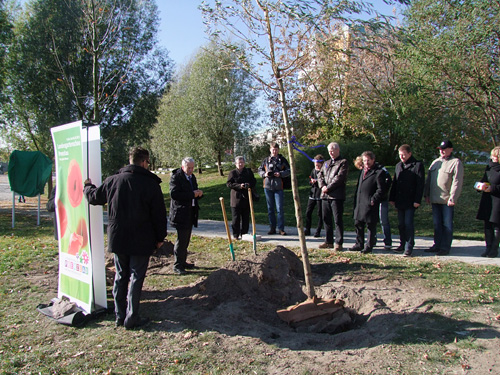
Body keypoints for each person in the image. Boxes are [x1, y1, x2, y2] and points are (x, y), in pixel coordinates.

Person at [84, 147, 167, 329]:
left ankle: (120, 315)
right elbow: (159, 214)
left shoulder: (113, 180)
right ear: (144, 162)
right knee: (136, 277)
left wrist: (87, 186)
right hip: (142, 239)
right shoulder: (151, 184)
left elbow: (94, 197)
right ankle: (132, 317)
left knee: (121, 276)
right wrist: (160, 237)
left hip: (119, 238)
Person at [424, 140, 464, 256]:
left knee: (447, 224)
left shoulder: (456, 162)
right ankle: (437, 244)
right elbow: (429, 180)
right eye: (440, 149)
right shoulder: (435, 162)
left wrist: (453, 197)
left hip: (447, 200)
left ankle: (445, 247)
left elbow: (457, 181)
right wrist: (427, 194)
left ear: (451, 149)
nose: (442, 151)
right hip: (435, 198)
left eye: (444, 149)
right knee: (437, 224)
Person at [389, 144, 425, 257]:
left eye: (404, 154)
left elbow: (420, 184)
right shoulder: (398, 166)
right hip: (400, 199)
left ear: (409, 153)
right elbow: (395, 182)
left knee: (408, 223)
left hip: (410, 200)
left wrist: (417, 200)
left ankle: (409, 246)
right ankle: (402, 243)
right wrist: (392, 197)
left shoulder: (417, 165)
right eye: (400, 155)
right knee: (401, 224)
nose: (402, 157)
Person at [169, 157, 203, 275]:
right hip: (180, 212)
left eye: (192, 168)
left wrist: (199, 194)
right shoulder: (176, 177)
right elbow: (174, 194)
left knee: (186, 239)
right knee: (181, 239)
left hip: (190, 212)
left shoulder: (192, 177)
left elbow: (193, 191)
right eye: (188, 168)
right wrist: (192, 194)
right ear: (183, 166)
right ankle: (177, 265)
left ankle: (183, 261)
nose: (191, 170)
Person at [352, 151, 387, 254]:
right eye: (364, 160)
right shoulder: (363, 171)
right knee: (358, 223)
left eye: (368, 160)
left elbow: (381, 189)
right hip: (360, 202)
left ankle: (369, 246)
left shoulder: (378, 172)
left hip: (370, 203)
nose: (366, 162)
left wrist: (373, 199)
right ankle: (359, 244)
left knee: (370, 225)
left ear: (373, 160)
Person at [317, 143, 348, 251]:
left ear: (338, 150)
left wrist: (328, 188)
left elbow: (339, 178)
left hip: (336, 195)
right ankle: (328, 241)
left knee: (337, 220)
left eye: (333, 150)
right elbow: (320, 175)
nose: (331, 152)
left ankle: (338, 242)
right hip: (325, 195)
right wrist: (322, 186)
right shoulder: (326, 163)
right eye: (329, 150)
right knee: (326, 218)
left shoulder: (343, 162)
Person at [258, 142, 290, 235]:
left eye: (276, 149)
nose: (274, 151)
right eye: (273, 149)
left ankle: (281, 228)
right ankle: (272, 227)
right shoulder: (266, 160)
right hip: (268, 187)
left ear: (278, 150)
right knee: (270, 209)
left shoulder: (282, 160)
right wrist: (265, 174)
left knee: (280, 208)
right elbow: (259, 170)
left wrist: (280, 174)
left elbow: (289, 170)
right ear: (270, 150)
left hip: (278, 187)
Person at [476, 147, 500, 258]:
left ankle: (494, 249)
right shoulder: (489, 167)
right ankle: (488, 247)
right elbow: (484, 179)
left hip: (497, 200)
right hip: (487, 199)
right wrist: (480, 186)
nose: (493, 158)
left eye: (496, 156)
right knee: (487, 225)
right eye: (493, 156)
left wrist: (493, 188)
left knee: (496, 225)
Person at [226, 156, 257, 240]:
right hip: (236, 198)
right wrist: (240, 186)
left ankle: (244, 234)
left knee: (246, 217)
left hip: (247, 198)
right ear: (236, 164)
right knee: (236, 218)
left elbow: (253, 181)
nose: (240, 164)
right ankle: (236, 235)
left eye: (242, 162)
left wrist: (248, 185)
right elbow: (229, 184)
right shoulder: (233, 173)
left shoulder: (248, 171)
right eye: (239, 163)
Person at [304, 154, 324, 237]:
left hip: (320, 194)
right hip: (312, 193)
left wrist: (318, 181)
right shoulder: (313, 171)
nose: (317, 166)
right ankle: (307, 229)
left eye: (318, 164)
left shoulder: (324, 171)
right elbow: (310, 179)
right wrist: (311, 182)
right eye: (315, 164)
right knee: (308, 212)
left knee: (320, 213)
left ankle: (318, 230)